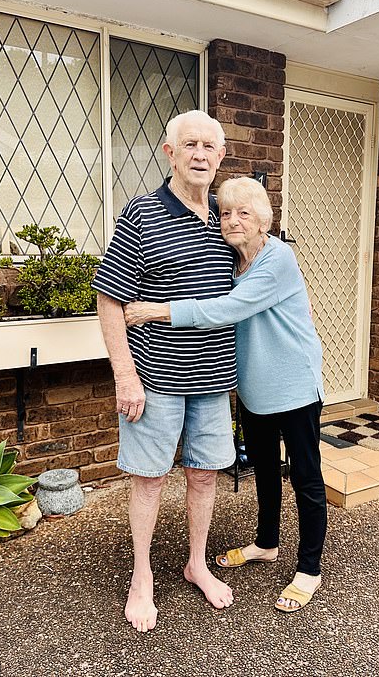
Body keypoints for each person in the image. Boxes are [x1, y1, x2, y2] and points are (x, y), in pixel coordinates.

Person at [124, 177, 327, 613]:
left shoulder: (277, 258)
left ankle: (309, 569)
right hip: (253, 389)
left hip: (293, 386)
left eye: (244, 213)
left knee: (307, 478)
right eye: (226, 213)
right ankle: (267, 544)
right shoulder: (233, 261)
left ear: (264, 221)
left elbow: (226, 311)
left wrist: (160, 310)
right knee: (266, 471)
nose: (232, 220)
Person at [92, 110, 237, 633]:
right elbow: (110, 302)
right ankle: (141, 576)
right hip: (156, 380)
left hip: (215, 382)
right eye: (190, 144)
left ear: (221, 157)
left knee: (203, 475)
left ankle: (196, 562)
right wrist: (124, 377)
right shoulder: (143, 213)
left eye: (210, 147)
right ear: (169, 152)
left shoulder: (229, 216)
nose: (201, 154)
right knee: (149, 480)